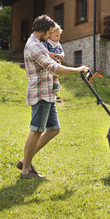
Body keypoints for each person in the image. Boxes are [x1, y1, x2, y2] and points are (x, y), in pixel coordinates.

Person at [18, 14, 89, 179]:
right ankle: (25, 171)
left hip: (48, 94)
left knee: (54, 129)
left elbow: (53, 61)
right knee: (36, 131)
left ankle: (24, 161)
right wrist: (78, 69)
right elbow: (54, 68)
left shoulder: (40, 43)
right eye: (49, 33)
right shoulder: (33, 46)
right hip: (41, 94)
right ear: (42, 31)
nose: (50, 36)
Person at [42, 24, 64, 93]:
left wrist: (61, 55)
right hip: (49, 61)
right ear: (50, 35)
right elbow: (43, 50)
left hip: (56, 60)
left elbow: (62, 52)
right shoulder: (46, 42)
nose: (58, 38)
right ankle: (52, 83)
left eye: (59, 36)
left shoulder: (58, 44)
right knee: (51, 71)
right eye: (56, 36)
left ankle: (56, 82)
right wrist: (49, 54)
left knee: (57, 68)